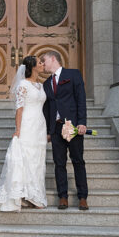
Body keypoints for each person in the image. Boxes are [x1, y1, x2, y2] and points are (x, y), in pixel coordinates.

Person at [0, 55, 47, 212]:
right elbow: (20, 108)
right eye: (40, 62)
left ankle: (34, 194)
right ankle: (25, 195)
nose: (43, 64)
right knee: (27, 158)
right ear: (33, 66)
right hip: (27, 125)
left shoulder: (40, 85)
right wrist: (18, 129)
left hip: (40, 125)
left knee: (37, 159)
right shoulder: (23, 85)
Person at [38, 51, 89, 211]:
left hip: (72, 126)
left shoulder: (73, 74)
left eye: (43, 60)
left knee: (78, 161)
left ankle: (82, 198)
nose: (42, 64)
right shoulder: (46, 83)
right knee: (59, 163)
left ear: (53, 59)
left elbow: (80, 99)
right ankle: (63, 197)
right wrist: (48, 131)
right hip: (56, 128)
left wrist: (82, 122)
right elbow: (47, 109)